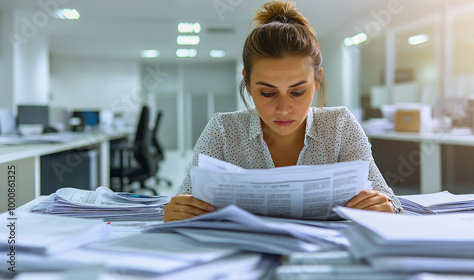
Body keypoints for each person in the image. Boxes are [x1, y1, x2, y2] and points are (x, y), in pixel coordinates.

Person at [163, 0, 404, 222]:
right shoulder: (223, 131)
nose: (283, 109)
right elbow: (187, 201)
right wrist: (179, 211)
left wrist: (385, 207)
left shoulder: (340, 125)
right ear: (247, 83)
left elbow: (389, 200)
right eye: (267, 93)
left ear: (317, 80)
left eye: (298, 92)